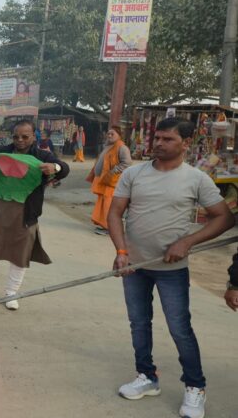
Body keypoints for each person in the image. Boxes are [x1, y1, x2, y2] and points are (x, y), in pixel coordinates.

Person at [108, 118, 233, 418]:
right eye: (158, 138)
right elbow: (115, 213)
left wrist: (187, 242)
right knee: (139, 323)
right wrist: (121, 251)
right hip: (134, 266)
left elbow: (224, 218)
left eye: (168, 139)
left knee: (180, 329)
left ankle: (195, 386)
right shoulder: (134, 173)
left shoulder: (196, 179)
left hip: (172, 270)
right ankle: (147, 377)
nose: (159, 144)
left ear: (185, 144)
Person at [0, 120, 69, 310]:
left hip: (26, 213)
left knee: (20, 253)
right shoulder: (1, 152)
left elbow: (63, 168)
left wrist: (54, 168)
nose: (20, 140)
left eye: (25, 136)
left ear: (34, 136)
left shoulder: (43, 155)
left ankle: (11, 294)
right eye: (16, 136)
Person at [86, 126, 131, 235]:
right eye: (108, 134)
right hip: (103, 180)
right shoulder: (108, 146)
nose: (109, 136)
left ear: (119, 135)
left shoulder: (122, 147)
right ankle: (104, 225)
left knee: (109, 205)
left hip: (112, 182)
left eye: (112, 134)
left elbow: (127, 163)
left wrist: (113, 171)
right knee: (103, 204)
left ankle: (110, 228)